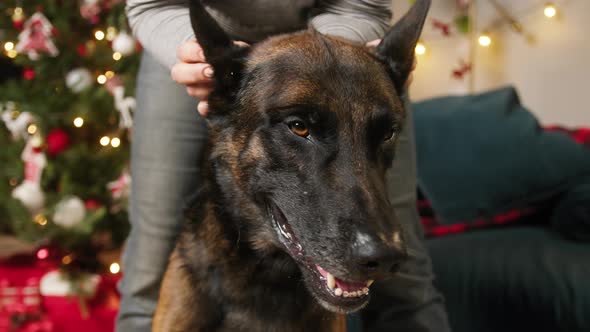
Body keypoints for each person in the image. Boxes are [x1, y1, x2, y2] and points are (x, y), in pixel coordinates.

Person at [116, 1, 451, 331]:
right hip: (199, 41)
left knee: (405, 280)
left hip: (343, 45)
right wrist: (197, 53)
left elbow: (362, 4)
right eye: (300, 128)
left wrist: (336, 59)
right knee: (150, 259)